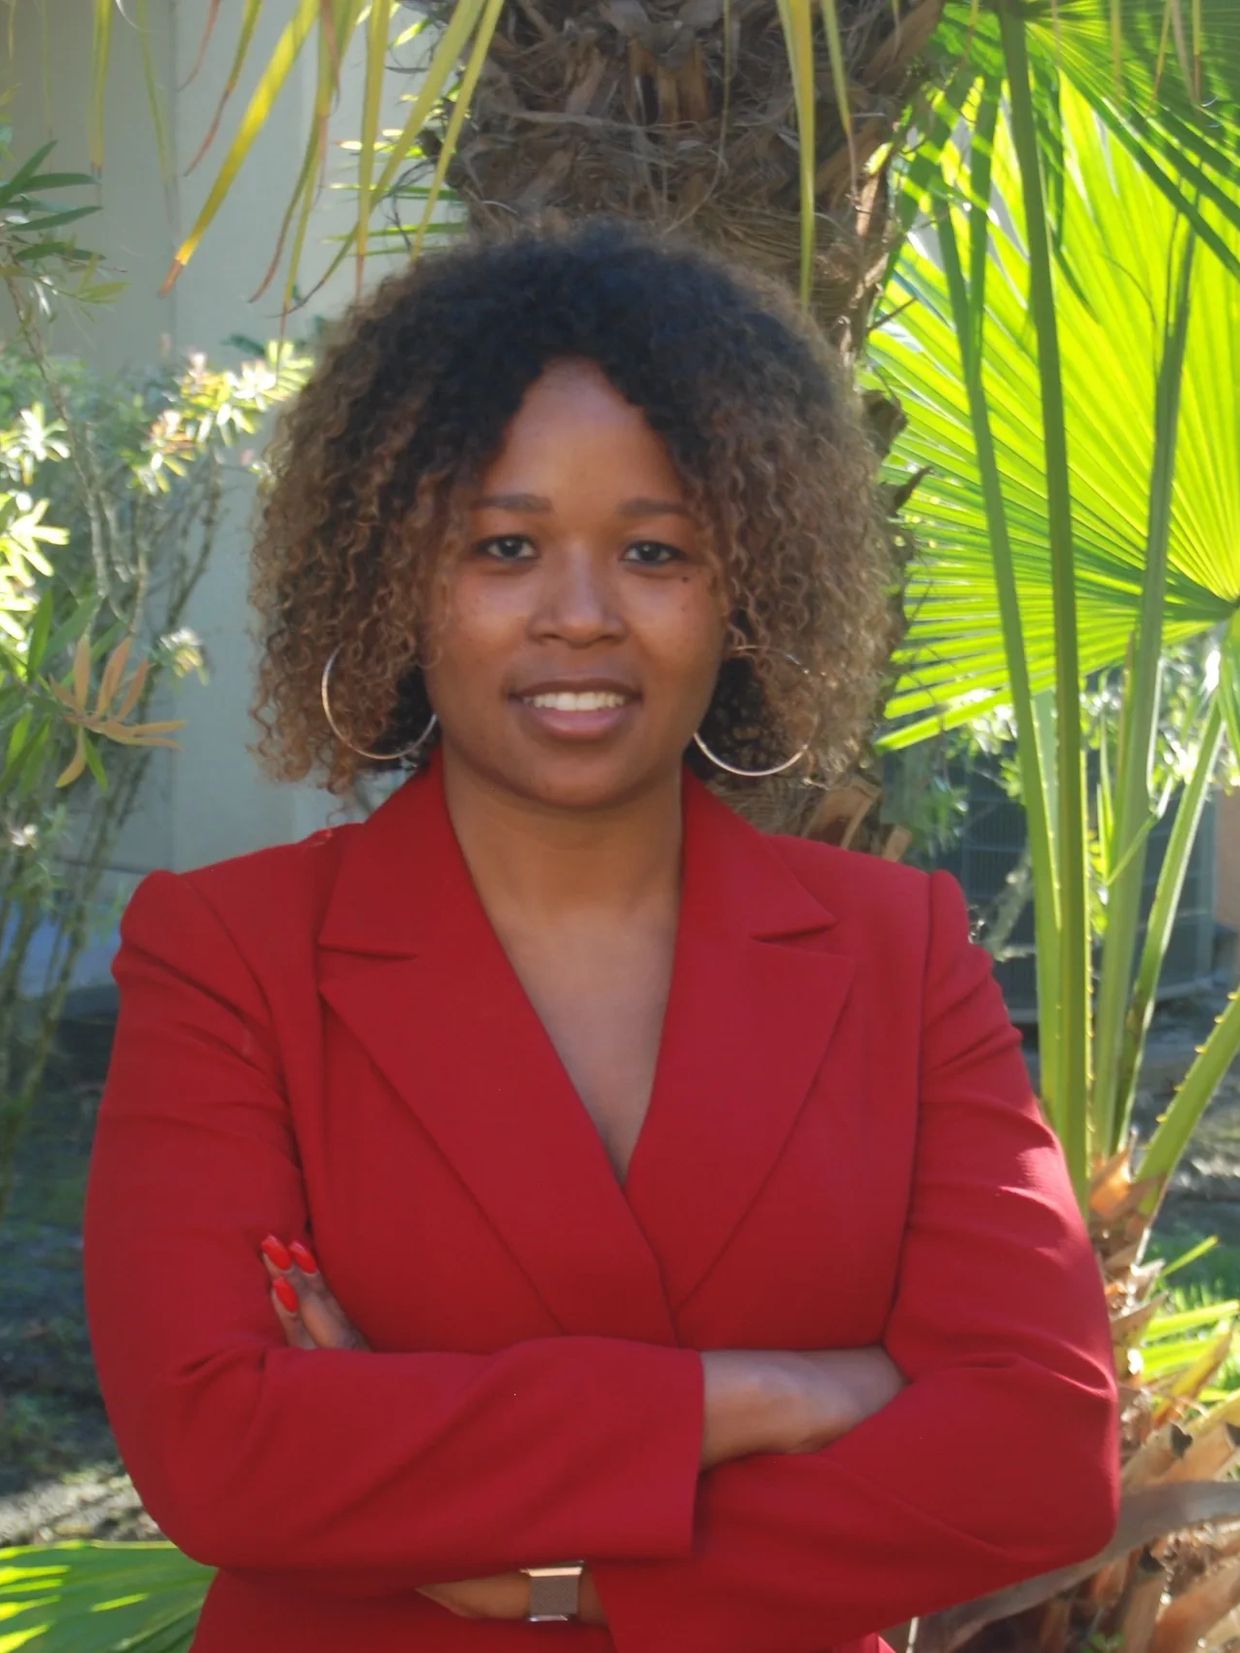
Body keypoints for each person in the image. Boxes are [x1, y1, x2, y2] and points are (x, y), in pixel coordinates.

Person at [82, 218, 1120, 1653]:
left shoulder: (900, 947)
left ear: (744, 594)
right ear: (391, 581)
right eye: (504, 546)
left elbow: (1042, 1452)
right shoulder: (230, 951)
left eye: (655, 550)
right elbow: (216, 1444)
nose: (580, 616)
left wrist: (566, 1577)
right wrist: (767, 1396)